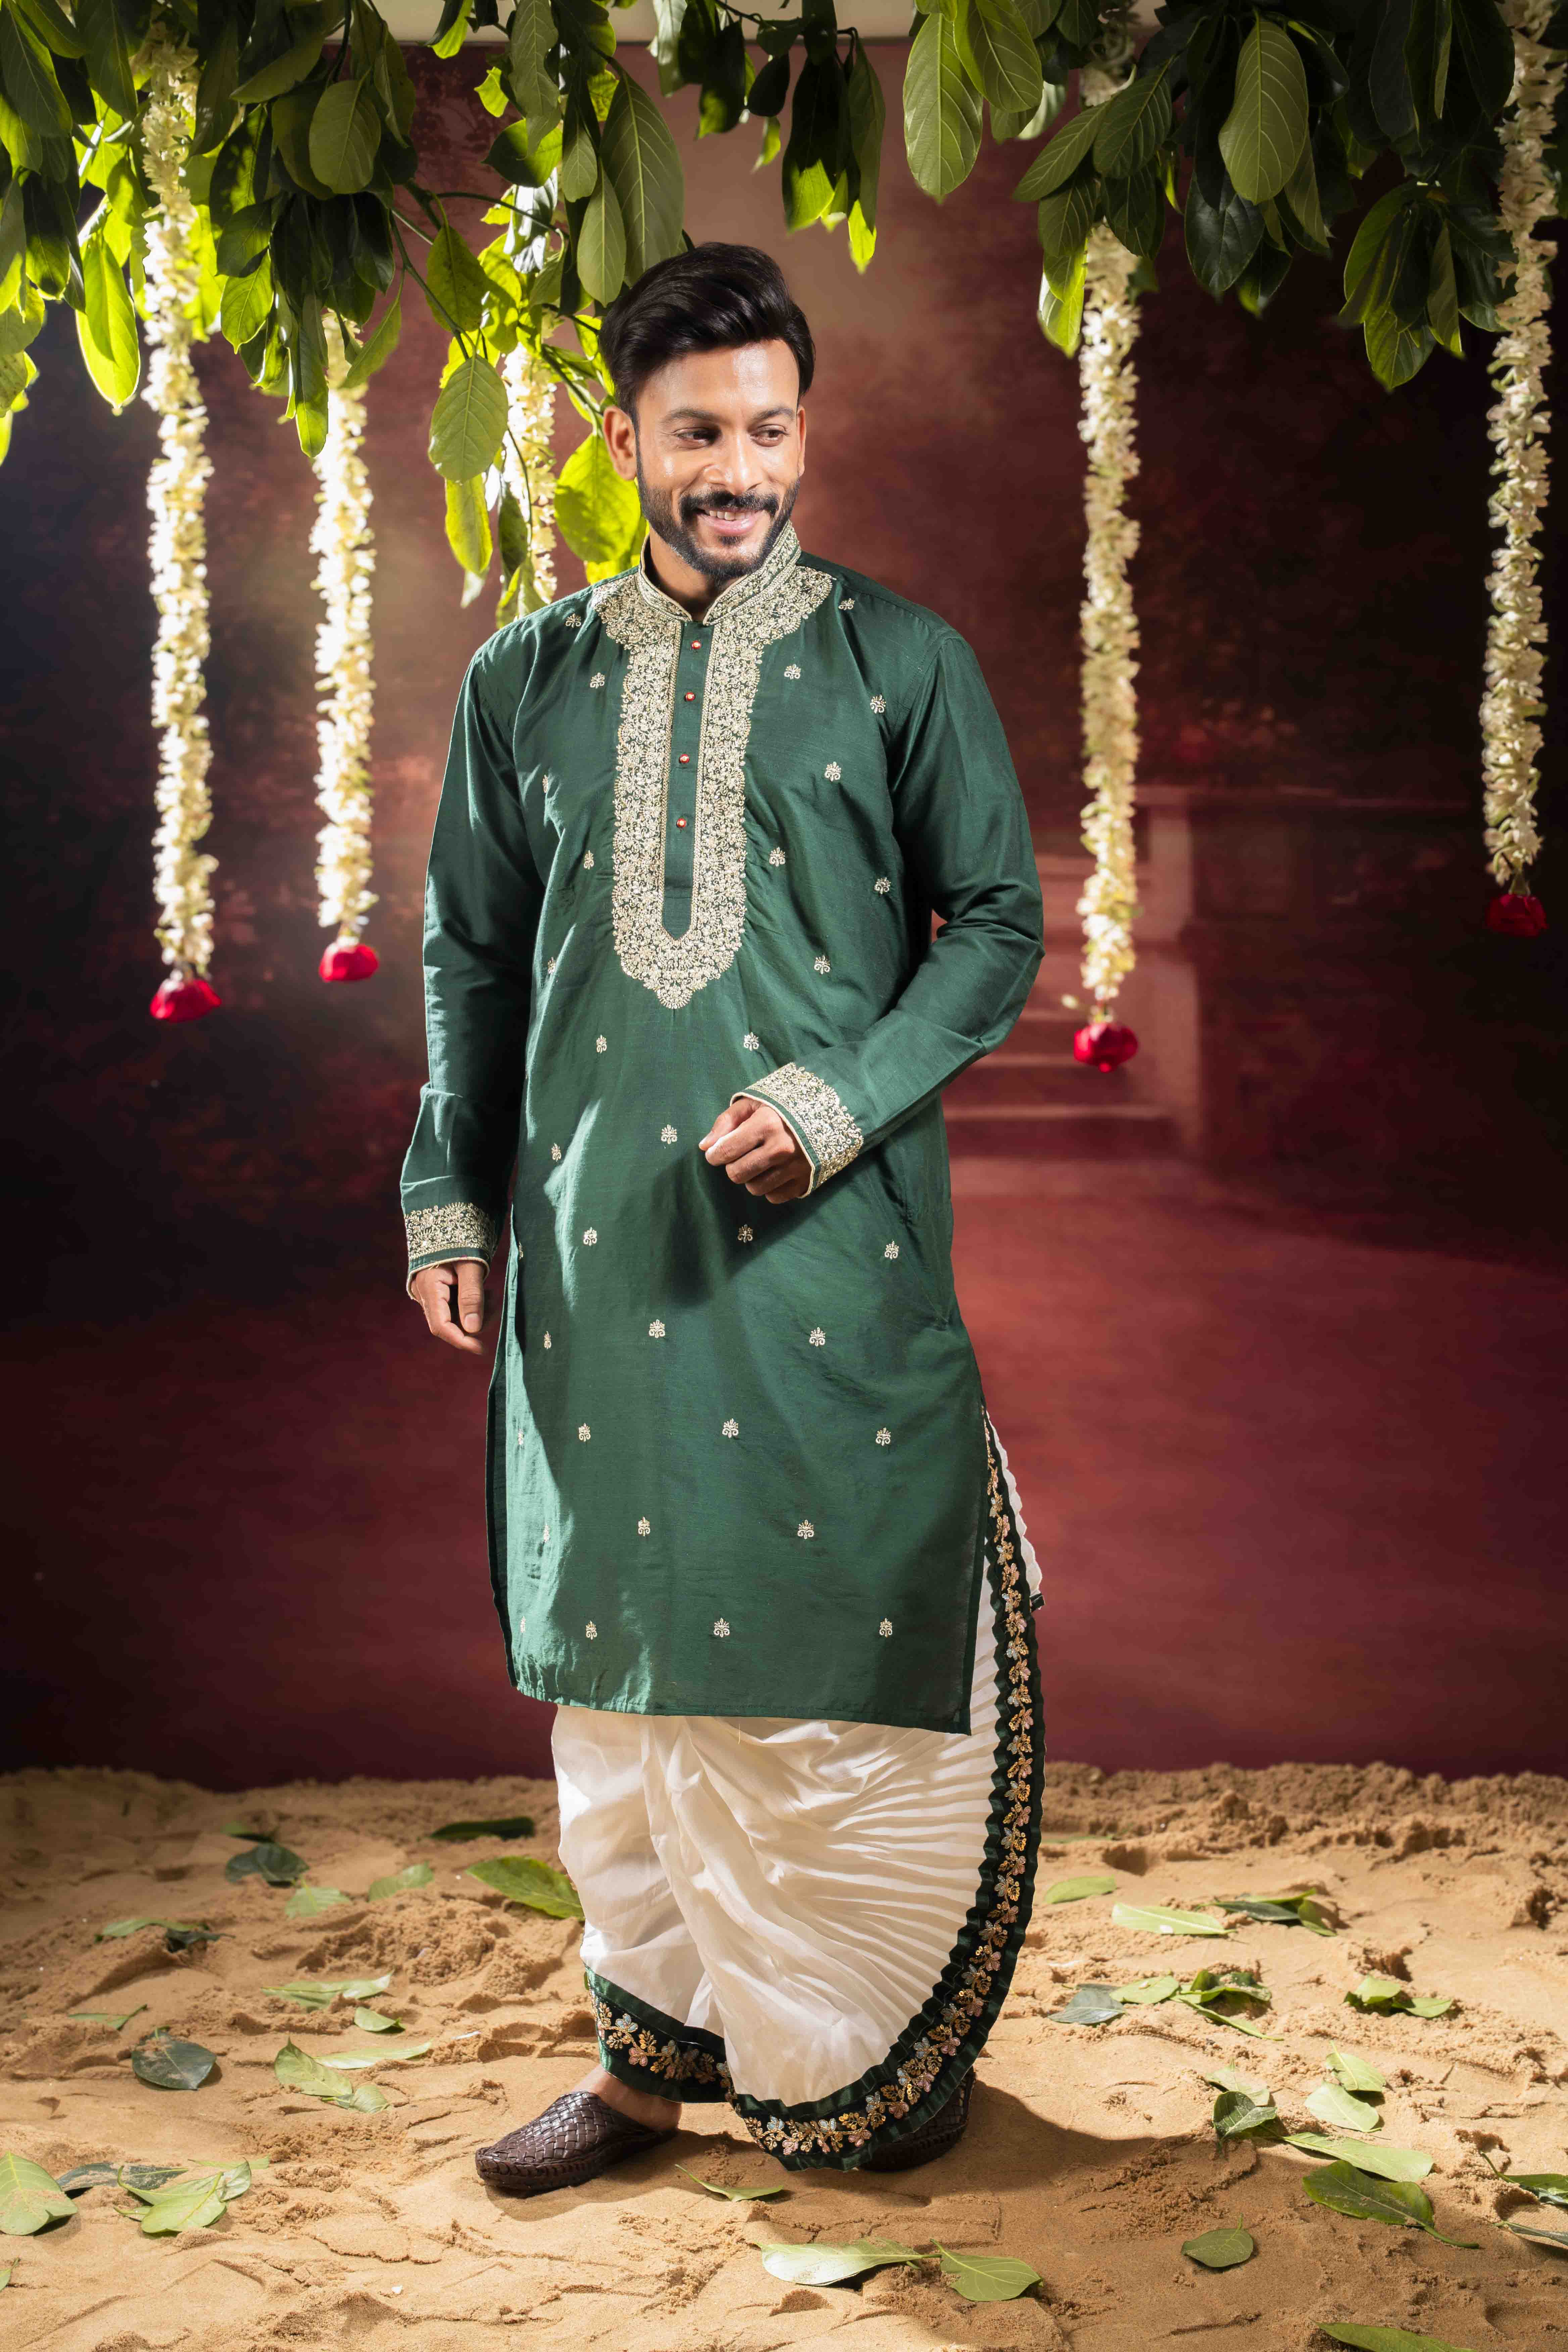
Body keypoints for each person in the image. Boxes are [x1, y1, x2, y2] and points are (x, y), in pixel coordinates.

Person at [402, 242, 1048, 2194]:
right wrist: (450, 1187)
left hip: (822, 1247)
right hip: (598, 1249)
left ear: (804, 433)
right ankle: (644, 2068)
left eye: (770, 429)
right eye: (698, 433)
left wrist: (845, 1095)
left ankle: (844, 2053)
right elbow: (470, 957)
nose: (739, 469)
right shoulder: (523, 678)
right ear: (626, 441)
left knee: (812, 1618)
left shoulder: (901, 662)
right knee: (622, 1657)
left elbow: (995, 923)